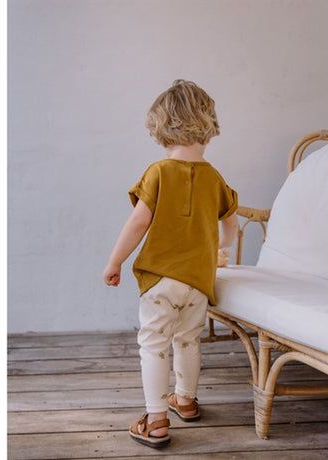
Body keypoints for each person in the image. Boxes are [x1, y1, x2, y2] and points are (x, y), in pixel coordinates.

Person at [103, 79, 238, 448]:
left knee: (154, 344)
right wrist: (221, 249)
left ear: (162, 128)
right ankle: (187, 401)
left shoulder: (158, 172)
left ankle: (156, 420)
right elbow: (231, 224)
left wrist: (115, 261)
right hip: (197, 282)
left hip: (160, 280)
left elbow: (138, 223)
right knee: (188, 339)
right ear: (207, 126)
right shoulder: (215, 178)